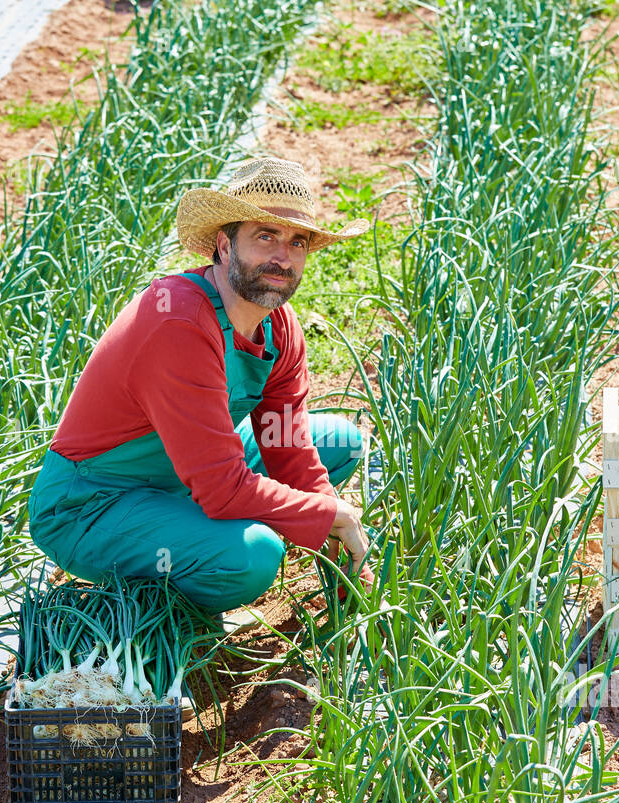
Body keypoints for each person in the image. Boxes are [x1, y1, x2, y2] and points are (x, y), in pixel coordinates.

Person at [28, 157, 373, 614]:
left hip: (186, 472)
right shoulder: (178, 321)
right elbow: (222, 488)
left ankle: (191, 532)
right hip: (94, 502)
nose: (282, 257)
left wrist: (341, 552)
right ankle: (165, 617)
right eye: (264, 236)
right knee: (251, 557)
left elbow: (287, 449)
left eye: (298, 242)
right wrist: (326, 516)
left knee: (342, 443)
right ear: (223, 245)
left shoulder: (280, 328)